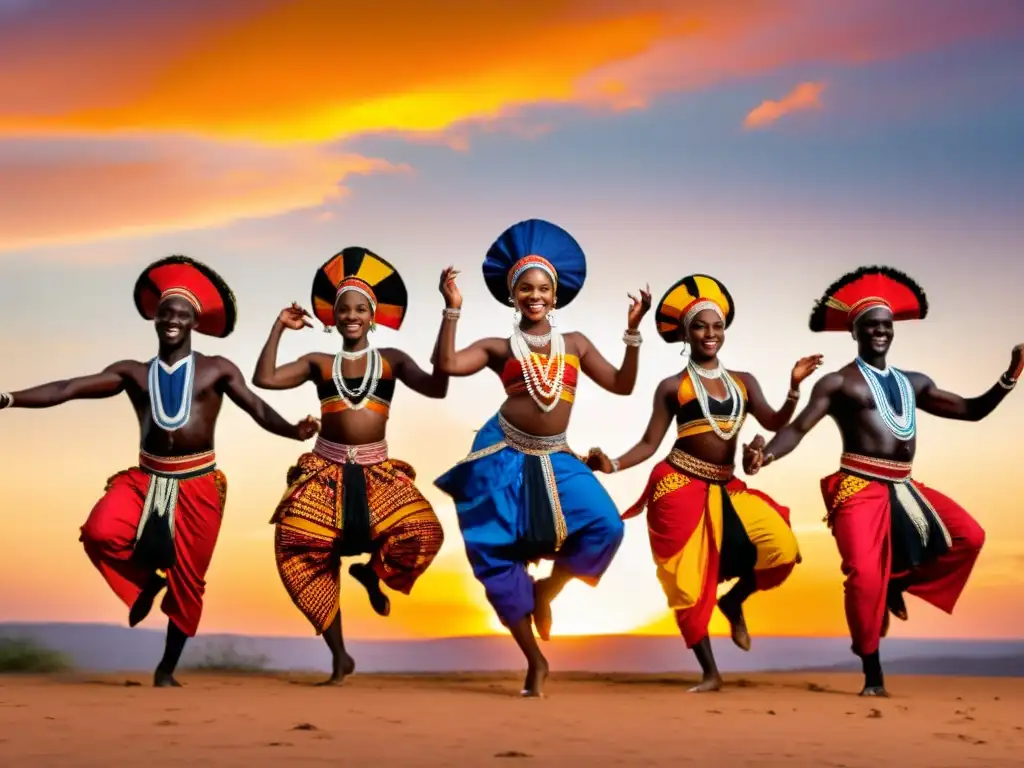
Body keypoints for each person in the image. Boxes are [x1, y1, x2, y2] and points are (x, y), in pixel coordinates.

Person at [0, 256, 319, 687]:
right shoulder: (132, 373)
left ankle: (166, 670)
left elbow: (258, 407)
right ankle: (146, 585)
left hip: (199, 483)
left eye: (182, 314)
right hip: (145, 478)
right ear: (154, 319)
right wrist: (8, 398)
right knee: (99, 532)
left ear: (195, 323)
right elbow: (67, 389)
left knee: (189, 582)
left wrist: (292, 430)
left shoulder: (217, 369)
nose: (172, 319)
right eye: (166, 313)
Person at [743, 266, 1019, 696]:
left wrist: (1009, 378)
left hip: (905, 487)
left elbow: (971, 410)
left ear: (894, 331)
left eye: (886, 326)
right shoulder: (837, 383)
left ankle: (898, 582)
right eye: (870, 325)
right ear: (854, 332)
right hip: (858, 486)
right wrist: (765, 455)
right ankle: (872, 674)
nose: (880, 332)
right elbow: (797, 430)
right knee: (862, 577)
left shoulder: (914, 383)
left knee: (969, 536)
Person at [432, 218, 651, 697]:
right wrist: (452, 311)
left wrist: (633, 334)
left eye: (543, 288)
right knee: (494, 557)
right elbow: (446, 366)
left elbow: (622, 384)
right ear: (513, 296)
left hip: (557, 457)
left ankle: (547, 591)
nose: (535, 295)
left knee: (607, 526)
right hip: (502, 455)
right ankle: (534, 661)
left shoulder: (575, 344)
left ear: (556, 295)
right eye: (525, 288)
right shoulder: (497, 346)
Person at [587, 274, 820, 691]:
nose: (709, 334)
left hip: (727, 486)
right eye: (700, 326)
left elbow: (773, 422)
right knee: (687, 583)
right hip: (676, 485)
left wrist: (793, 388)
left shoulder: (744, 382)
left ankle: (733, 602)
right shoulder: (671, 387)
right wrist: (613, 464)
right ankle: (711, 673)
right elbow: (648, 443)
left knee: (782, 547)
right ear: (686, 333)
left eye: (716, 327)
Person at [252, 247, 447, 685]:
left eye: (361, 308)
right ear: (333, 317)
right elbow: (264, 378)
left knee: (425, 531)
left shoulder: (392, 360)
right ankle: (339, 655)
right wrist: (279, 328)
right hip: (325, 470)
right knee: (297, 544)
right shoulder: (319, 363)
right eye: (344, 309)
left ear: (373, 316)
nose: (352, 315)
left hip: (379, 473)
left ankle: (372, 573)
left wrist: (448, 314)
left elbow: (438, 386)